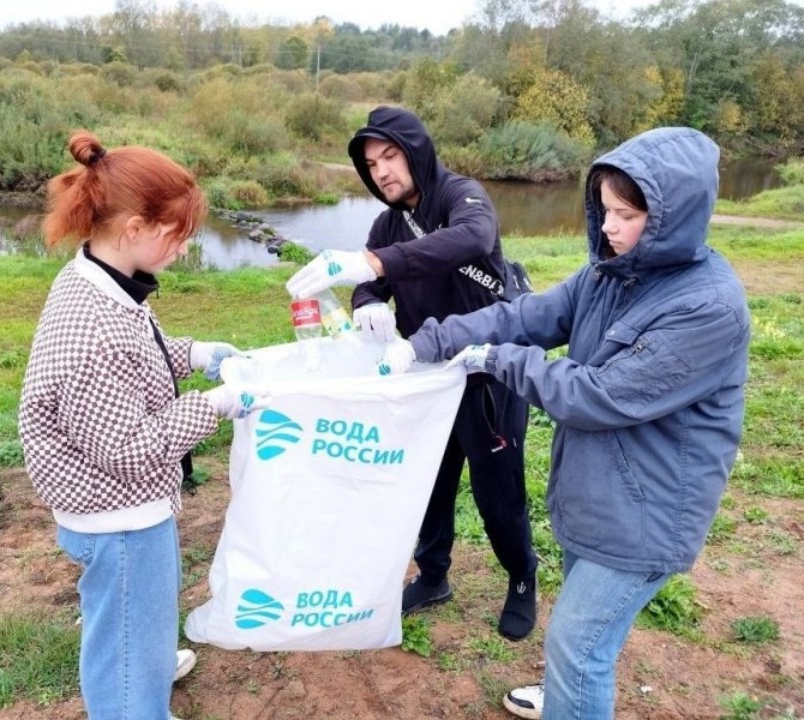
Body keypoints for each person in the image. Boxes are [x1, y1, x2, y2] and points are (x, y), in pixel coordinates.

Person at [376, 126, 751, 719]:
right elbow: (529, 314)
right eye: (604, 210)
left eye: (627, 216)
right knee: (585, 644)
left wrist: (497, 360)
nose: (608, 228)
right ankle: (570, 699)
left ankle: (572, 695)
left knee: (578, 648)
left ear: (674, 217)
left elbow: (598, 395)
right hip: (598, 499)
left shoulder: (707, 308)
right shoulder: (611, 272)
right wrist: (430, 342)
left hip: (646, 516)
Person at [18, 130, 265, 720]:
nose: (182, 250)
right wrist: (218, 404)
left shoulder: (104, 283)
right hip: (117, 517)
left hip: (121, 509)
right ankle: (133, 695)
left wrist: (197, 352)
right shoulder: (92, 327)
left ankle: (145, 658)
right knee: (126, 637)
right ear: (133, 228)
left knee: (136, 619)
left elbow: (141, 355)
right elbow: (128, 448)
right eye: (175, 236)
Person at [286, 105, 539, 641]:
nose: (381, 172)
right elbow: (368, 277)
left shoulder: (460, 195)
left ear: (415, 149)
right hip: (421, 374)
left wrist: (377, 265)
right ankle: (433, 575)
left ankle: (522, 576)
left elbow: (472, 238)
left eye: (390, 155)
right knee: (428, 482)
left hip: (483, 373)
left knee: (498, 493)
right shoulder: (387, 221)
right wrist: (366, 299)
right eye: (371, 164)